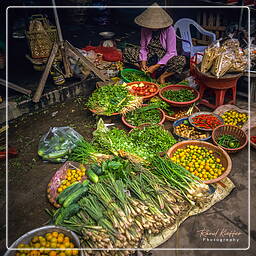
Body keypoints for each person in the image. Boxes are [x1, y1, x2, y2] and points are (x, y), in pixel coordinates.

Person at [123, 3, 186, 84]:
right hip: (151, 54)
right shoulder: (145, 28)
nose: (152, 27)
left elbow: (171, 52)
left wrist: (156, 66)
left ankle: (162, 76)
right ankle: (143, 70)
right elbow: (143, 48)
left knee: (181, 60)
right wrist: (143, 62)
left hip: (164, 57)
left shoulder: (169, 30)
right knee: (127, 50)